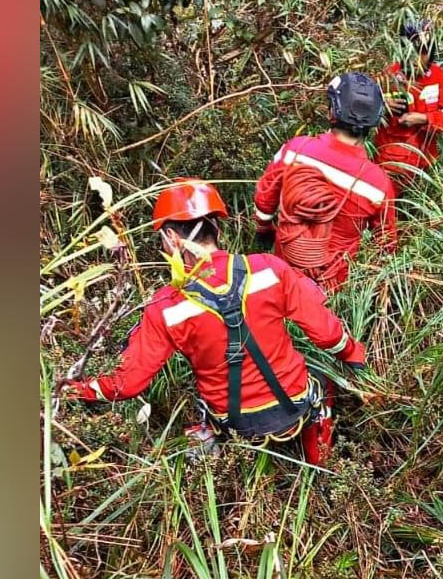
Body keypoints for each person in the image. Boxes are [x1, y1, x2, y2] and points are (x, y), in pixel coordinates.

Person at [59, 179, 367, 465]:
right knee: (321, 387)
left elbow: (126, 385)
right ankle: (320, 467)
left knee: (199, 404)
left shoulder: (165, 306)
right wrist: (354, 355)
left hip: (233, 422)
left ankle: (213, 463)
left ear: (170, 237)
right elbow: (327, 333)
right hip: (294, 406)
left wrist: (73, 390)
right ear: (216, 229)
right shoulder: (269, 269)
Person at [253, 72, 398, 293]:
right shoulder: (379, 184)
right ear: (375, 120)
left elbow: (264, 201)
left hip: (283, 271)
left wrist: (263, 230)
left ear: (332, 111)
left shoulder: (296, 150)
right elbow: (386, 244)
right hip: (333, 286)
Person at [374, 20, 443, 185]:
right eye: (412, 51)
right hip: (390, 165)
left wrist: (423, 119)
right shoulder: (388, 76)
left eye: (423, 51)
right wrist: (381, 104)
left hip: (425, 164)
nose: (416, 58)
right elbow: (356, 113)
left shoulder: (438, 77)